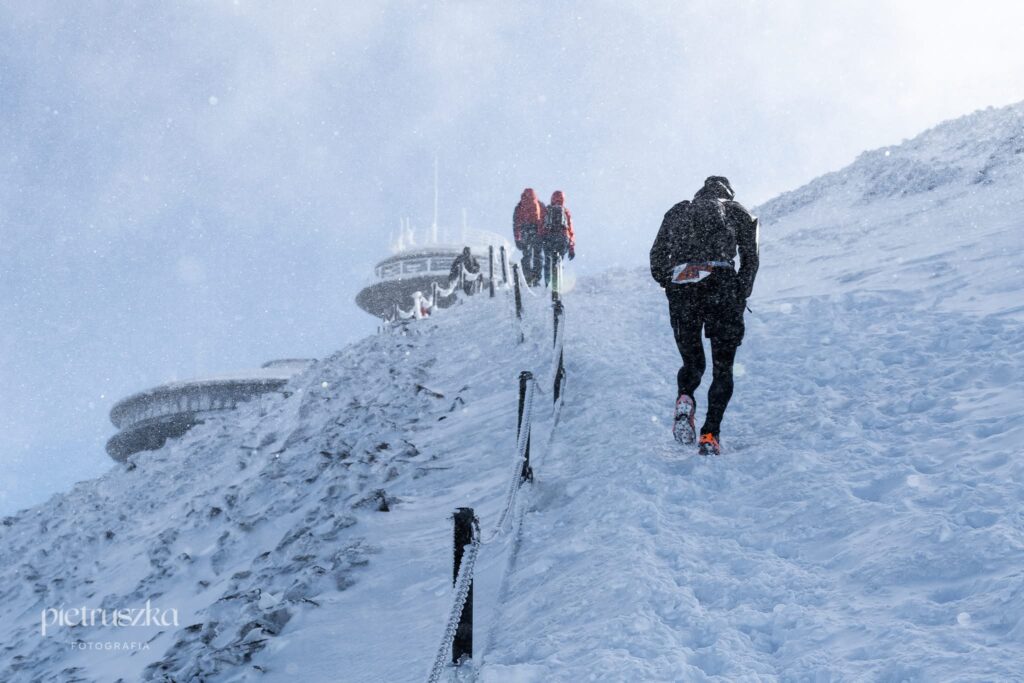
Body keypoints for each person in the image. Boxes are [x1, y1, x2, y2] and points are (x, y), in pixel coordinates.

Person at [649, 176, 759, 455]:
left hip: (682, 286)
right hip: (722, 285)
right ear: (728, 194)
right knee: (723, 368)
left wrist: (672, 283)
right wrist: (739, 291)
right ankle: (710, 434)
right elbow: (751, 257)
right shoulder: (737, 211)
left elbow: (656, 257)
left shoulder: (677, 211)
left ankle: (685, 398)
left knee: (693, 361)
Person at [542, 190, 576, 286]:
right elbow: (570, 231)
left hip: (549, 238)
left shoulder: (547, 210)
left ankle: (548, 284)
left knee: (548, 261)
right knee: (559, 260)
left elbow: (541, 226)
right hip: (562, 238)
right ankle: (557, 284)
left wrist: (542, 238)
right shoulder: (565, 211)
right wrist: (571, 248)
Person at [513, 188, 545, 286]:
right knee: (537, 255)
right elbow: (545, 221)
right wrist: (543, 235)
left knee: (526, 255)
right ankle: (536, 278)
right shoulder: (540, 204)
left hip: (525, 231)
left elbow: (516, 223)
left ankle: (527, 277)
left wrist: (517, 238)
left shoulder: (519, 206)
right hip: (537, 232)